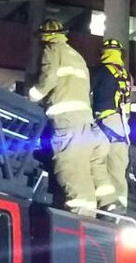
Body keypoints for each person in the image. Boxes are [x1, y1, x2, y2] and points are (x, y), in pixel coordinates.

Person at [28, 19, 99, 214]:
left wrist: (32, 96)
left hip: (66, 119)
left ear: (45, 37)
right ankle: (87, 214)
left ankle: (77, 213)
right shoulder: (76, 56)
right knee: (81, 167)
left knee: (66, 164)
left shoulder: (52, 50)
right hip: (84, 119)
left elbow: (48, 78)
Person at [90, 38, 133, 212]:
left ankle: (107, 202)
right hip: (123, 127)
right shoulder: (127, 75)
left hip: (104, 122)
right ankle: (121, 208)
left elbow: (87, 92)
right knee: (118, 170)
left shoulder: (101, 71)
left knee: (94, 161)